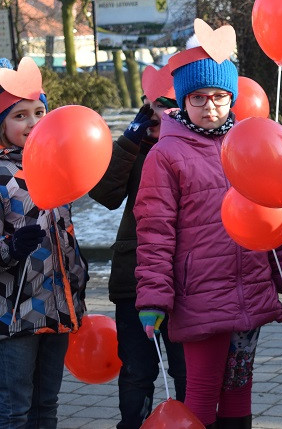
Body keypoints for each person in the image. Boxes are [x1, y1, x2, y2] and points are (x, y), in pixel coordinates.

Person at [134, 23, 282, 429]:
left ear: (232, 98)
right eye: (199, 98)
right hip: (200, 294)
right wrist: (154, 297)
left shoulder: (248, 144)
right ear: (183, 100)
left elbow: (274, 213)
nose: (211, 107)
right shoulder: (166, 154)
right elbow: (154, 231)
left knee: (240, 390)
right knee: (203, 394)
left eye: (221, 97)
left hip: (250, 288)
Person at [89, 75, 186, 428]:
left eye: (172, 104)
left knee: (185, 369)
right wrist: (129, 141)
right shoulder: (137, 145)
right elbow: (105, 195)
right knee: (137, 370)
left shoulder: (197, 144)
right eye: (157, 105)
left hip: (187, 280)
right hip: (135, 276)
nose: (164, 113)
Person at [0, 57, 88, 427]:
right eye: (20, 115)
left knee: (46, 404)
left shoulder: (53, 163)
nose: (34, 122)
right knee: (15, 408)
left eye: (39, 111)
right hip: (13, 312)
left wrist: (78, 272)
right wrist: (11, 247)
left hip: (57, 306)